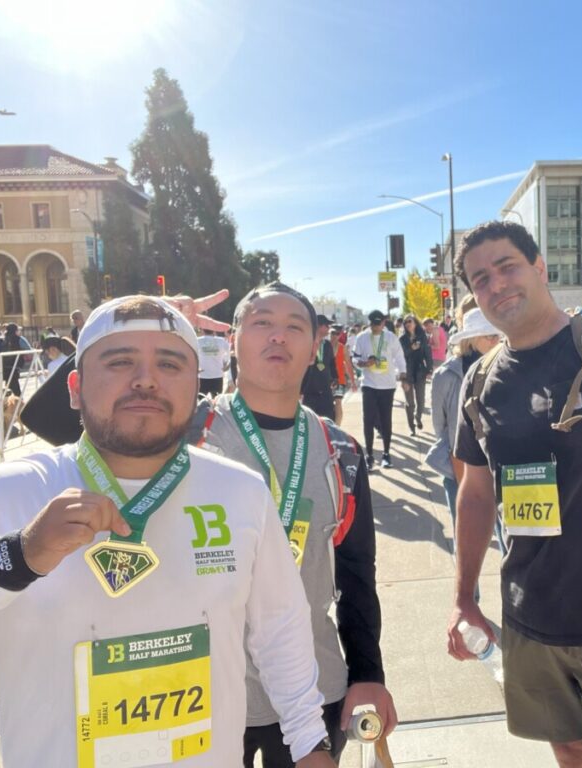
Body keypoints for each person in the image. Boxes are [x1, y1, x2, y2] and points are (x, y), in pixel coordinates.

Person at [0, 295, 335, 767]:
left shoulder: (241, 492)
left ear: (197, 387)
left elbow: (280, 630)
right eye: (120, 361)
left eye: (170, 363)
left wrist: (309, 742)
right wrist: (18, 556)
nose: (146, 379)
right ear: (74, 387)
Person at [446, 220, 582, 768]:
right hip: (533, 614)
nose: (496, 285)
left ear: (540, 268)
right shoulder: (479, 382)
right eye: (481, 279)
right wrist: (464, 596)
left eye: (507, 267)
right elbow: (475, 492)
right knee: (568, 751)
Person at [185, 283, 396, 767]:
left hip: (312, 693)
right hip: (206, 697)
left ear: (316, 345)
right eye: (261, 323)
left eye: (294, 326)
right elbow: (62, 415)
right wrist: (154, 322)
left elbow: (357, 573)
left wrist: (369, 672)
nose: (278, 336)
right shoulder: (181, 431)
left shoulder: (340, 451)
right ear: (231, 339)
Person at [425, 300, 502, 555]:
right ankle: (470, 595)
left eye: (498, 336)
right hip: (460, 464)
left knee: (509, 536)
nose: (496, 341)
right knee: (467, 537)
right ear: (472, 338)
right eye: (490, 336)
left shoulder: (506, 366)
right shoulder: (447, 375)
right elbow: (441, 425)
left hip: (501, 463)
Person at [352, 310, 406, 470]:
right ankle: (369, 455)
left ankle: (386, 454)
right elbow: (354, 358)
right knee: (367, 420)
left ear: (384, 323)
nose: (376, 327)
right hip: (369, 384)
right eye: (373, 324)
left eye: (379, 323)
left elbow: (399, 357)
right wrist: (362, 364)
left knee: (385, 420)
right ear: (370, 323)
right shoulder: (362, 337)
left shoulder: (390, 337)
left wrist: (403, 374)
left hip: (387, 385)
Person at [398, 314, 433, 435]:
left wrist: (429, 370)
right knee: (410, 403)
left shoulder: (422, 336)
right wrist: (411, 348)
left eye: (410, 321)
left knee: (421, 401)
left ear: (415, 323)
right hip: (407, 372)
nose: (407, 324)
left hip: (420, 372)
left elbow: (427, 354)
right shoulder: (402, 339)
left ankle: (418, 416)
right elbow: (400, 357)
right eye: (405, 322)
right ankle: (411, 426)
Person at [300, 314, 337, 420]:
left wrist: (335, 377)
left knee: (329, 420)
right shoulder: (306, 343)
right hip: (310, 390)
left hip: (326, 389)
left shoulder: (327, 345)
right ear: (318, 326)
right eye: (327, 325)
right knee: (310, 421)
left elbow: (331, 363)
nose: (329, 329)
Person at [328, 325, 356, 426]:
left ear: (340, 335)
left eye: (337, 334)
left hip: (339, 380)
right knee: (328, 403)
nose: (334, 336)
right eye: (332, 333)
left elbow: (348, 365)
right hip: (326, 379)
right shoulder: (324, 346)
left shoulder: (342, 348)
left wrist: (353, 381)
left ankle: (337, 427)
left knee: (338, 402)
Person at [0, 322, 33, 398]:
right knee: (15, 387)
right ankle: (18, 403)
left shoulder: (3, 339)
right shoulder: (19, 339)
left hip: (4, 365)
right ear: (15, 331)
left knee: (9, 385)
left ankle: (11, 402)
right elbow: (28, 349)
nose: (19, 332)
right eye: (18, 330)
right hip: (15, 365)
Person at [196, 329, 230, 396]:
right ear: (214, 331)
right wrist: (226, 362)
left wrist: (195, 367)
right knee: (216, 399)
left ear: (203, 331)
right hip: (217, 374)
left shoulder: (198, 341)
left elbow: (191, 354)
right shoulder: (222, 341)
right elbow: (228, 351)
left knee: (201, 400)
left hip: (203, 374)